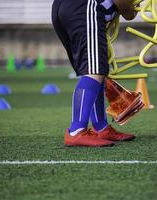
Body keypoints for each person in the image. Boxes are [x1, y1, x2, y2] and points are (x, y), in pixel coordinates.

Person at [52, 0, 137, 147]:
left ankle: (101, 127)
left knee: (95, 70)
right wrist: (130, 11)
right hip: (84, 7)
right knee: (94, 70)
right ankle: (76, 131)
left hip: (63, 7)